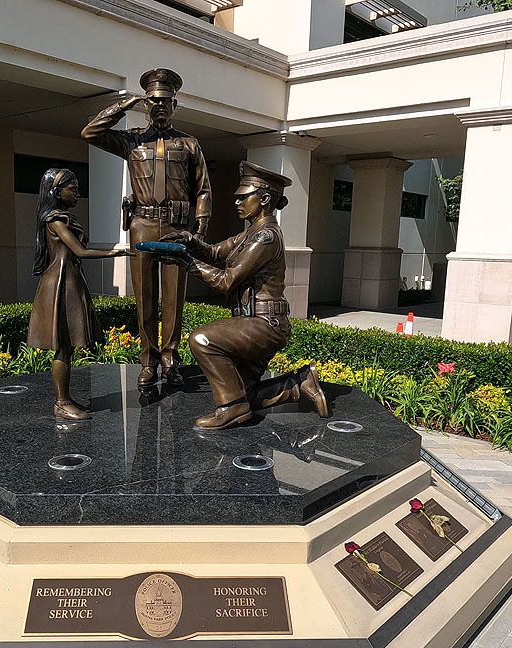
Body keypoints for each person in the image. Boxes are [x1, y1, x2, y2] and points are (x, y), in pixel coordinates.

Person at [157, 161, 329, 431]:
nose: (236, 201)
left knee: (202, 340)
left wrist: (186, 263)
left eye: (243, 196)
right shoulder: (248, 235)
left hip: (264, 325)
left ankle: (232, 409)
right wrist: (189, 241)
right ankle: (299, 383)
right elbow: (214, 253)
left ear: (264, 199)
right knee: (243, 393)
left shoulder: (265, 238)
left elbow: (227, 280)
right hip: (252, 321)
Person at [81, 68, 212, 389]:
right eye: (153, 101)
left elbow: (204, 189)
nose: (160, 106)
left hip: (178, 227)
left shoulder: (190, 144)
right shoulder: (131, 141)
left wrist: (200, 230)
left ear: (176, 105)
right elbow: (90, 133)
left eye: (166, 101)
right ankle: (149, 360)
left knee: (173, 299)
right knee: (145, 298)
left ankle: (170, 358)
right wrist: (123, 105)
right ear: (145, 104)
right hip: (141, 226)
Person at [27, 168, 128, 420]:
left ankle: (65, 399)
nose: (77, 194)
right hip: (60, 284)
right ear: (57, 192)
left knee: (67, 347)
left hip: (70, 281)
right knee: (63, 345)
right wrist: (117, 253)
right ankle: (61, 402)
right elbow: (79, 252)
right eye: (73, 189)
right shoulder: (55, 220)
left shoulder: (62, 218)